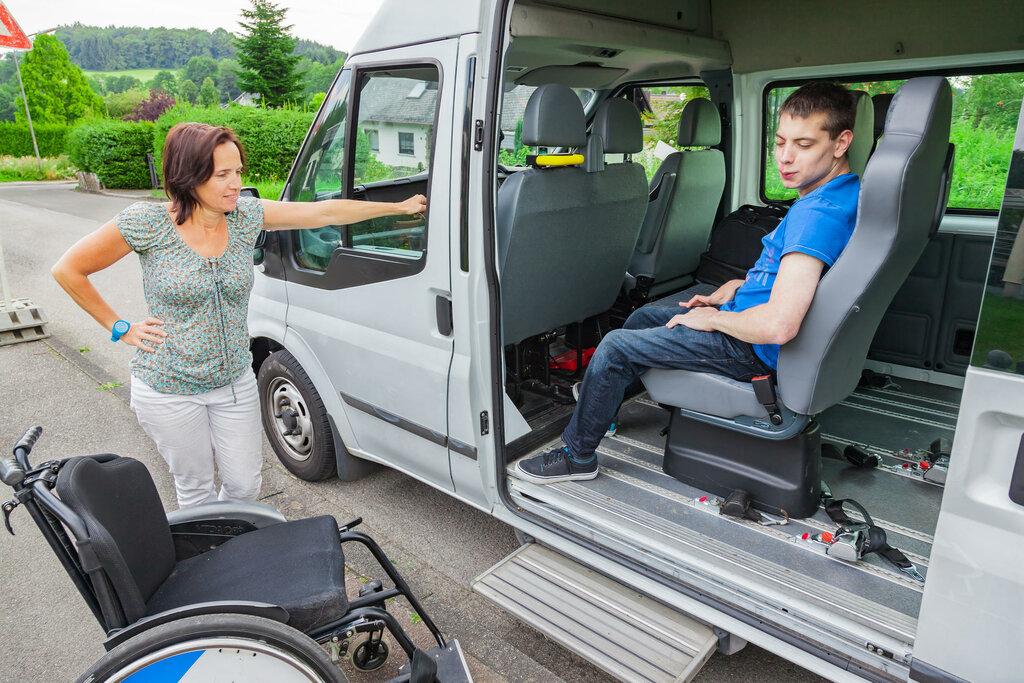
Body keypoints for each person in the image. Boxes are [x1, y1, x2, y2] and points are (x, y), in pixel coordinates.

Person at [52, 123, 427, 507]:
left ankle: (231, 528)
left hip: (233, 381)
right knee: (195, 490)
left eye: (238, 172)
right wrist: (119, 326)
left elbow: (322, 212)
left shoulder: (245, 216)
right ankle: (215, 542)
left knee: (245, 486)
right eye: (222, 175)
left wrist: (397, 208)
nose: (236, 184)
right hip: (168, 389)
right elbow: (69, 270)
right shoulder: (147, 223)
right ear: (188, 176)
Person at [517, 81, 861, 484]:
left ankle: (577, 456)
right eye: (781, 142)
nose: (785, 157)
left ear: (841, 143)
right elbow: (797, 280)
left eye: (803, 145)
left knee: (615, 346)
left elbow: (779, 325)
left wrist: (712, 319)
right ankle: (601, 406)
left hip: (751, 350)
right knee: (643, 317)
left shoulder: (816, 215)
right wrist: (736, 288)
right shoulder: (844, 192)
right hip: (749, 324)